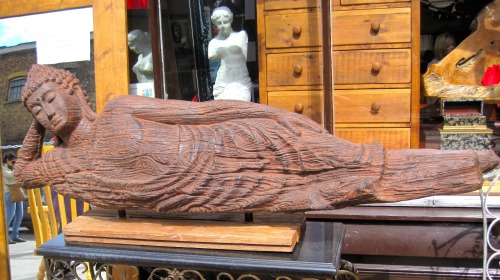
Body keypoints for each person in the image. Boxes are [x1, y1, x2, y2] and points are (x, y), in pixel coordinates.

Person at [14, 65, 499, 215]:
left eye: (52, 100)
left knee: (356, 155)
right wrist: (37, 126)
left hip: (239, 140)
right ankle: (463, 173)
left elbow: (199, 113)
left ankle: (477, 163)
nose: (48, 111)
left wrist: (266, 114)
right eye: (38, 110)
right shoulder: (70, 164)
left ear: (76, 90)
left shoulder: (120, 107)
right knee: (356, 183)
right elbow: (23, 173)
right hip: (224, 188)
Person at [208, 6, 252, 102]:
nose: (223, 26)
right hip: (223, 83)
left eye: (226, 22)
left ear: (231, 20)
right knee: (224, 114)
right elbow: (211, 55)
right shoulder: (213, 43)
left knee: (241, 111)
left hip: (241, 81)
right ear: (215, 25)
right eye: (219, 23)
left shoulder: (241, 36)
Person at [3, 153, 25, 244]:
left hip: (17, 191)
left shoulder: (13, 168)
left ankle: (15, 235)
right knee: (9, 215)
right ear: (7, 160)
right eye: (13, 162)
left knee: (19, 215)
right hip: (8, 192)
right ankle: (5, 237)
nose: (15, 164)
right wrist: (18, 168)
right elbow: (9, 176)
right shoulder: (3, 168)